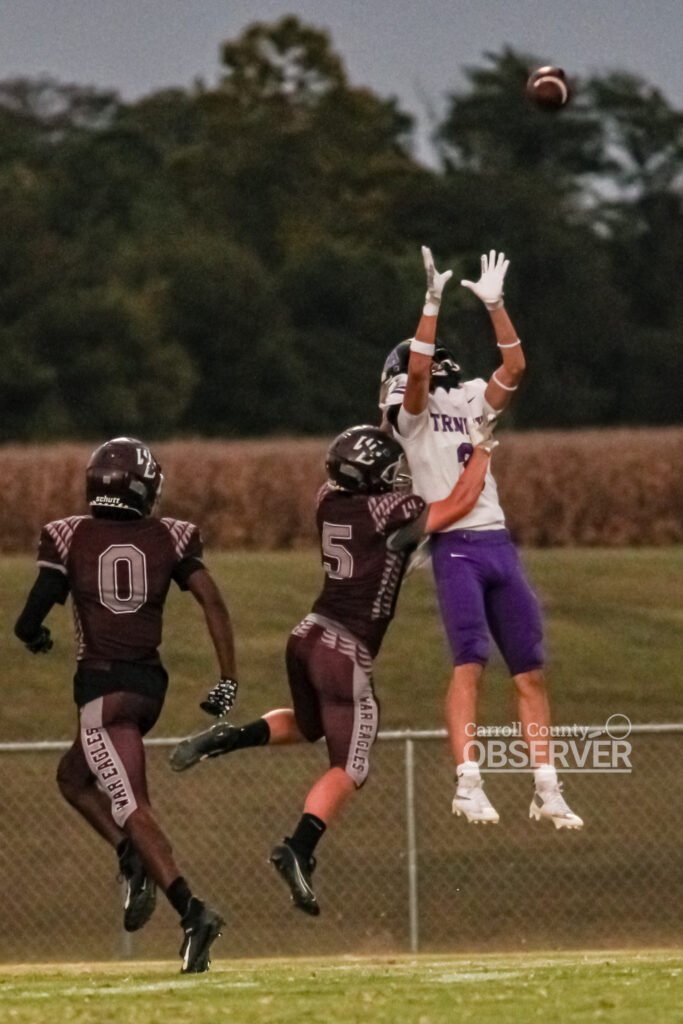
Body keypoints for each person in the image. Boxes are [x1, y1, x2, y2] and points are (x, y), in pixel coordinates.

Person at [169, 417, 498, 916]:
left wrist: (388, 425)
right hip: (345, 650)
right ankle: (298, 847)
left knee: (308, 725)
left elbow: (364, 476)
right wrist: (481, 447)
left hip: (308, 633)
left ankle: (228, 737)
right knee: (349, 767)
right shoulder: (393, 509)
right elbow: (459, 503)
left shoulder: (327, 500)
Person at [379, 246, 583, 831]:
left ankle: (547, 786)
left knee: (530, 670)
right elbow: (417, 375)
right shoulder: (411, 416)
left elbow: (514, 369)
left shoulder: (467, 396)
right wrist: (430, 305)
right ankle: (468, 782)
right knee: (470, 662)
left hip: (497, 542)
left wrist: (496, 306)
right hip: (458, 547)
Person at [14, 437, 232, 973]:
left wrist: (32, 633)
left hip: (103, 692)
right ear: (145, 487)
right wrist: (228, 678)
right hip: (146, 687)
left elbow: (33, 612)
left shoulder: (68, 536)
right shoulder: (171, 536)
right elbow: (212, 598)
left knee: (131, 804)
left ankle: (192, 910)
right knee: (72, 778)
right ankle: (129, 853)